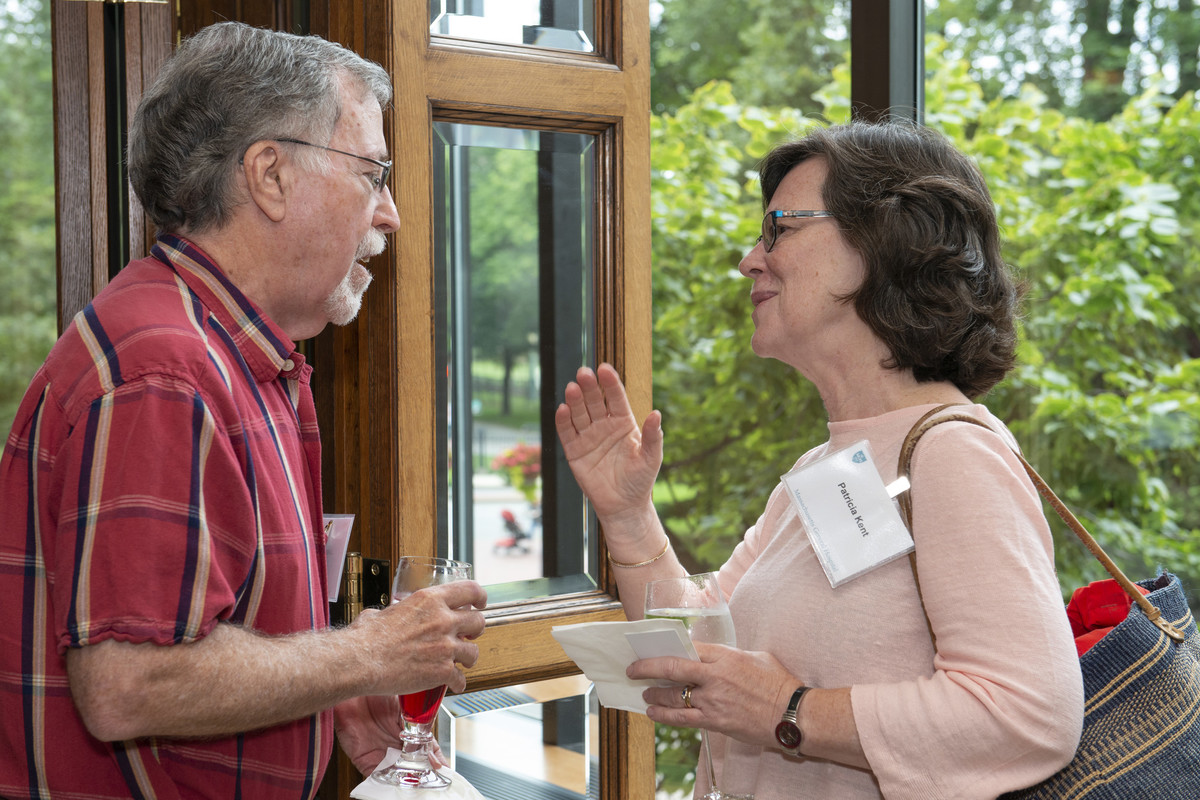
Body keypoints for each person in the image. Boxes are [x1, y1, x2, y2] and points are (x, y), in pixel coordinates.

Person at [0, 22, 487, 799]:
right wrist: (368, 653)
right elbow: (128, 684)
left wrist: (325, 696)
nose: (390, 213)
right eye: (373, 172)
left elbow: (214, 634)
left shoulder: (235, 355)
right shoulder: (166, 371)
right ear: (269, 175)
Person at [555, 120, 1084, 799]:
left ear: (887, 241)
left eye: (780, 229)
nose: (751, 258)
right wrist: (627, 516)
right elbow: (702, 638)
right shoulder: (830, 466)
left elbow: (1029, 714)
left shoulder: (953, 454)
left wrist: (790, 711)